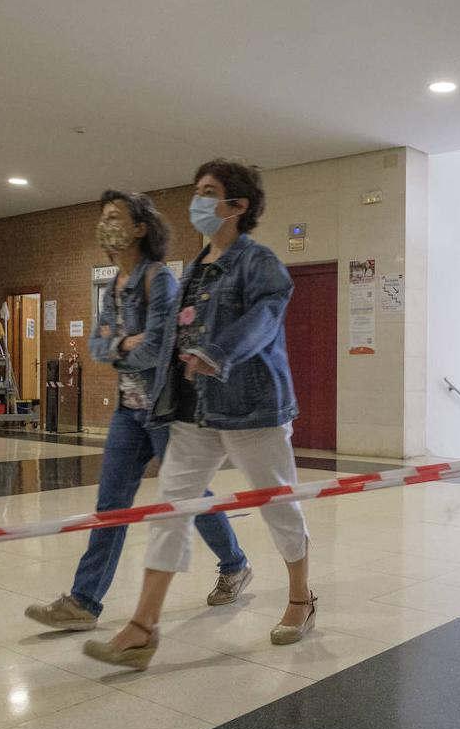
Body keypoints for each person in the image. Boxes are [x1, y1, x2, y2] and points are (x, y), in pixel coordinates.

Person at [84, 160, 313, 670]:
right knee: (171, 511)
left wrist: (219, 352)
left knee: (279, 508)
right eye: (197, 192)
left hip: (251, 409)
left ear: (238, 206)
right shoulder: (193, 270)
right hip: (191, 411)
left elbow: (265, 316)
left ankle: (300, 598)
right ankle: (143, 627)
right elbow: (172, 336)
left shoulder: (260, 263)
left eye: (209, 193)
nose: (198, 202)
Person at [25, 189, 252, 632]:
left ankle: (235, 564)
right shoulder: (113, 288)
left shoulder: (159, 281)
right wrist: (118, 344)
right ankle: (84, 602)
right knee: (111, 505)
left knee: (189, 497)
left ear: (139, 228)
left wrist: (119, 345)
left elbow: (154, 350)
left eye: (114, 216)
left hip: (164, 412)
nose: (105, 223)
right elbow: (96, 346)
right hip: (128, 414)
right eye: (103, 215)